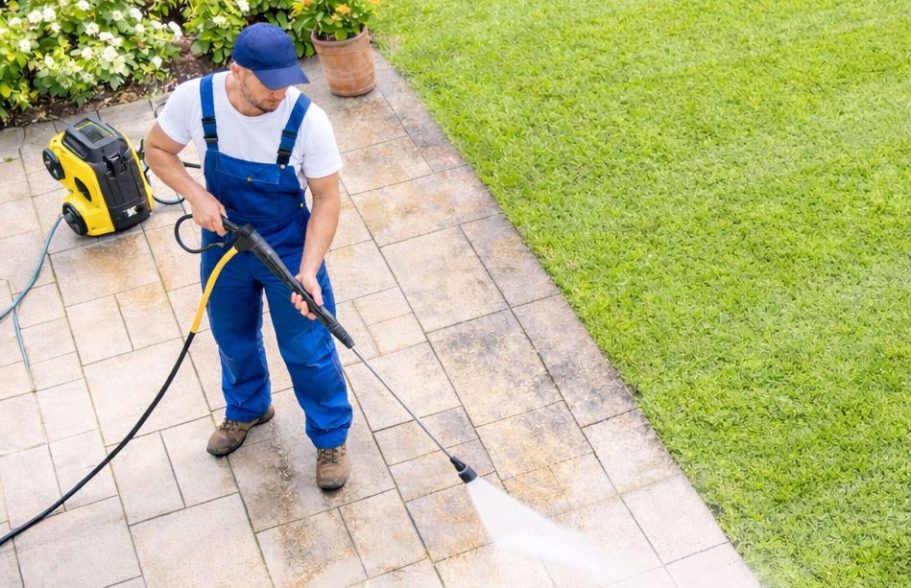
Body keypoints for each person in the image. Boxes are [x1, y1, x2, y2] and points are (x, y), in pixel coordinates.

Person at [144, 22, 352, 490]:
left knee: (308, 350)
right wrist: (195, 195)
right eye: (271, 82)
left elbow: (327, 199)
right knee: (232, 335)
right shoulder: (195, 101)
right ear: (238, 71)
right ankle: (248, 407)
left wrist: (310, 271)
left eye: (288, 80)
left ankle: (330, 438)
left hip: (287, 244)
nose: (282, 92)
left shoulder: (307, 120)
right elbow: (156, 149)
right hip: (224, 242)